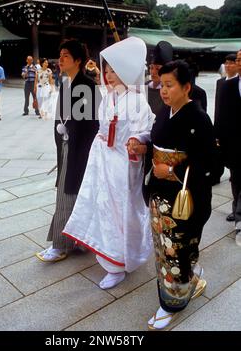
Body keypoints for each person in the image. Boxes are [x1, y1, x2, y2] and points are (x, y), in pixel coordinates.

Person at [63, 37, 154, 289]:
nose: (109, 75)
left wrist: (137, 140)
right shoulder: (108, 97)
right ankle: (110, 260)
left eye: (114, 70)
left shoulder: (138, 100)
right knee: (101, 207)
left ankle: (122, 258)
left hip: (124, 163)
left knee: (121, 211)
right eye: (107, 70)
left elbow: (145, 130)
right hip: (103, 158)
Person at [140, 60, 215, 330]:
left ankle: (171, 304)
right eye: (161, 85)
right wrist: (143, 148)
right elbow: (156, 143)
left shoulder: (199, 119)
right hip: (161, 196)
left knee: (176, 252)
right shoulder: (164, 113)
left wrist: (171, 170)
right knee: (164, 249)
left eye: (169, 85)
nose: (163, 90)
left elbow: (212, 165)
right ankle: (191, 280)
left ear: (187, 87)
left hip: (184, 198)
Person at [36, 39, 100, 262]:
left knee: (67, 193)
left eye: (65, 55)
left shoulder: (87, 86)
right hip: (67, 147)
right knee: (73, 193)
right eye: (60, 55)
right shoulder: (67, 84)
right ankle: (79, 240)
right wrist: (62, 136)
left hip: (79, 149)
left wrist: (72, 139)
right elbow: (60, 119)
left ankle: (60, 245)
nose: (60, 59)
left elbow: (90, 125)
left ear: (78, 60)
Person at [215, 50, 241, 245]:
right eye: (238, 59)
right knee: (235, 178)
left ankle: (239, 217)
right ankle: (235, 208)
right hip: (234, 141)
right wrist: (218, 137)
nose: (238, 63)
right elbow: (221, 113)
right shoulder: (227, 85)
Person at [213, 54, 237, 186]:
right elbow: (218, 105)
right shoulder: (220, 82)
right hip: (221, 124)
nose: (228, 66)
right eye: (226, 63)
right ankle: (217, 174)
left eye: (231, 63)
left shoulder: (236, 84)